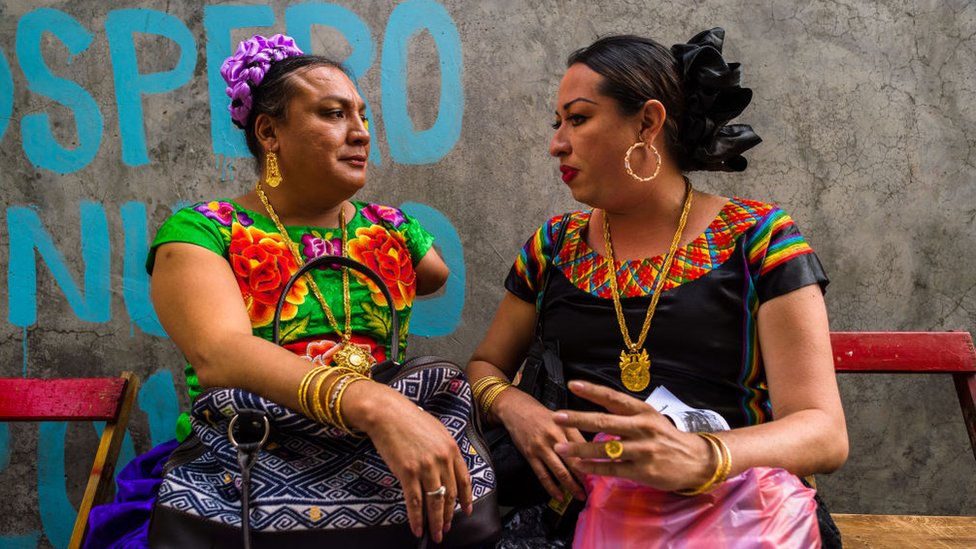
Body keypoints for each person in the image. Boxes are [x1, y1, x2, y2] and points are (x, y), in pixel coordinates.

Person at [84, 34, 469, 548]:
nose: (360, 133)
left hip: (380, 468)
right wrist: (378, 405)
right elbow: (222, 354)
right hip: (246, 468)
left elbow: (435, 275)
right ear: (268, 132)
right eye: (333, 114)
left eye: (363, 116)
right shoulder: (204, 233)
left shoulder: (390, 229)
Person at [466, 29, 848, 546]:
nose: (557, 143)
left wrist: (705, 454)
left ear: (647, 122)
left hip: (738, 513)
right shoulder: (553, 246)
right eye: (558, 124)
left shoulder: (759, 239)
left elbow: (823, 432)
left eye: (578, 119)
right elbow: (486, 365)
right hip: (579, 515)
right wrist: (518, 408)